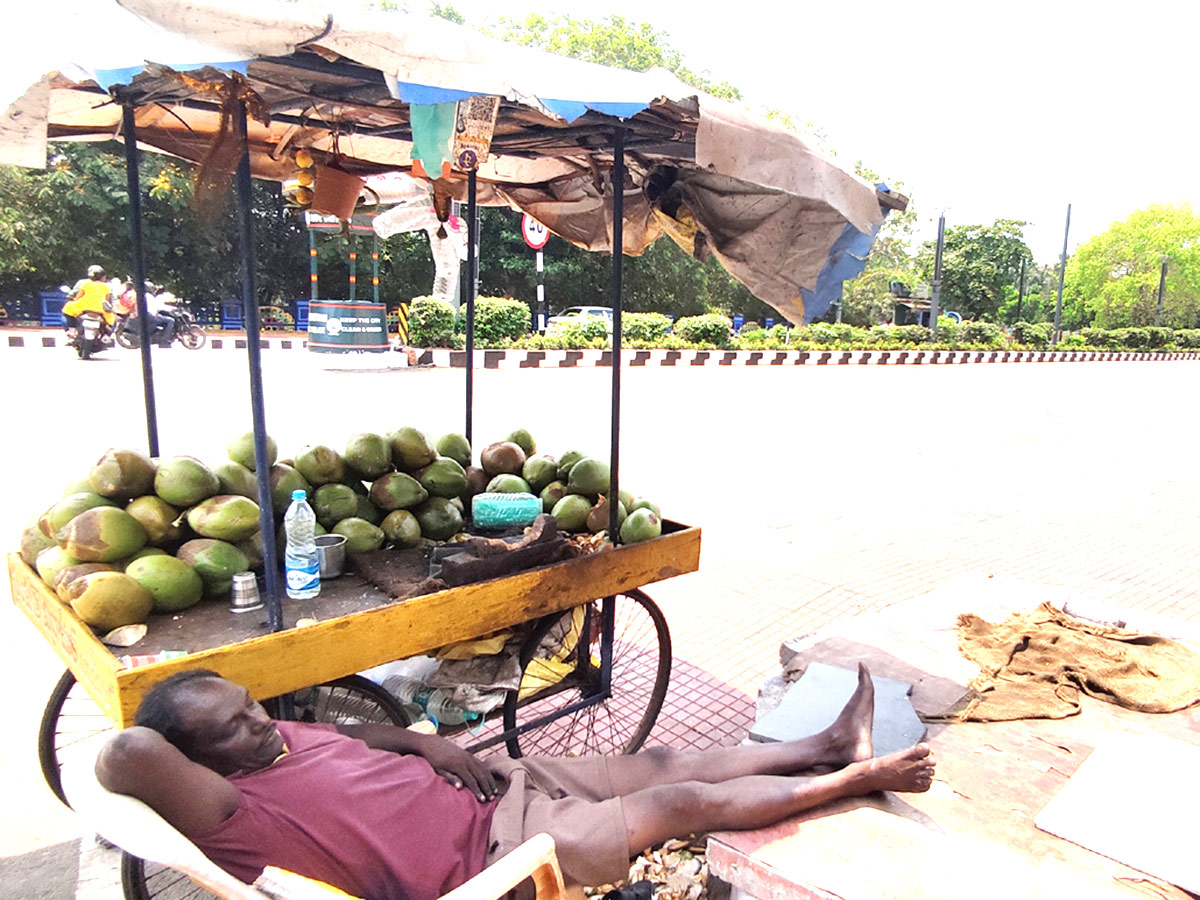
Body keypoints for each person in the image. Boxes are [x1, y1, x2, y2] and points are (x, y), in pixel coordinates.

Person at [96, 667, 934, 900]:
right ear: (198, 763)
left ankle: (827, 740)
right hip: (488, 860)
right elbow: (125, 751)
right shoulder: (230, 809)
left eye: (251, 705)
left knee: (669, 761)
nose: (261, 723)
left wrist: (427, 749)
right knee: (678, 805)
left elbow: (359, 734)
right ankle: (859, 774)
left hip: (498, 786)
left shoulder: (276, 740)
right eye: (234, 727)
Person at [61, 265, 114, 335]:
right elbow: (107, 300)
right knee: (112, 318)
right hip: (100, 309)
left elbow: (77, 297)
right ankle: (107, 331)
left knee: (67, 309)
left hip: (84, 307)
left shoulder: (85, 284)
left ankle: (71, 330)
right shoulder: (106, 286)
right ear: (103, 277)